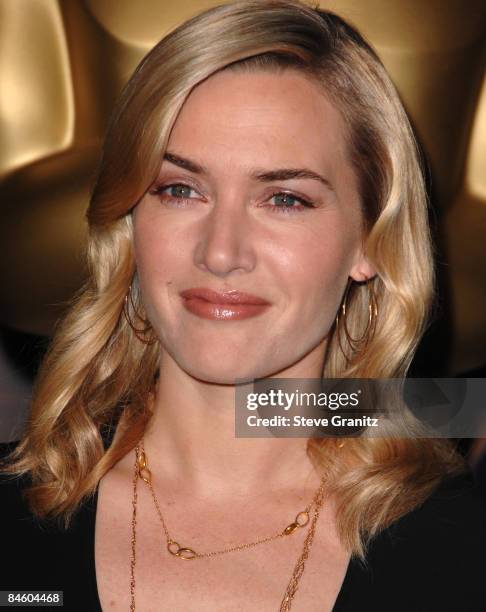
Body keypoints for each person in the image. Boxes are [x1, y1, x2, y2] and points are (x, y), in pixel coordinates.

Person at [1, 1, 485, 610]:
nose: (221, 252)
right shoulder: (12, 518)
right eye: (180, 190)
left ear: (370, 239)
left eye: (284, 199)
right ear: (129, 222)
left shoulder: (459, 560)